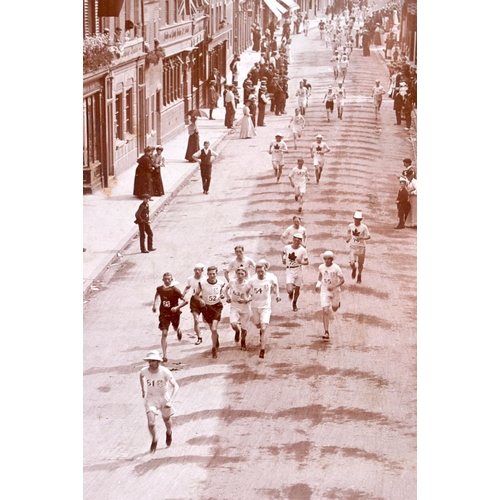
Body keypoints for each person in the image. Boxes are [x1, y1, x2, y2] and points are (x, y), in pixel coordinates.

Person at [139, 350, 179, 453]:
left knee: (166, 419)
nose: (150, 363)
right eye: (149, 361)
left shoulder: (164, 371)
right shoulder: (144, 371)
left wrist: (170, 400)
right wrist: (143, 389)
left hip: (163, 398)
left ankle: (169, 432)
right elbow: (141, 376)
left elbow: (176, 386)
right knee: (151, 423)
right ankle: (154, 439)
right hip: (151, 399)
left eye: (153, 361)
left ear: (158, 362)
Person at [248, 261, 281, 359]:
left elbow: (276, 286)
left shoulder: (271, 277)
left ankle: (262, 349)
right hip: (254, 306)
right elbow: (246, 291)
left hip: (266, 306)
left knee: (263, 328)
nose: (260, 273)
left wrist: (277, 295)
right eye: (258, 272)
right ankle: (259, 327)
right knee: (258, 325)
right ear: (256, 271)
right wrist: (246, 298)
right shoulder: (252, 280)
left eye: (262, 271)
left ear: (265, 269)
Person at [152, 273, 188, 362]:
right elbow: (157, 295)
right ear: (162, 280)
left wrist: (177, 307)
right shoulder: (160, 289)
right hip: (164, 314)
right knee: (164, 333)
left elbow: (186, 301)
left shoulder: (175, 290)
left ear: (172, 280)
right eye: (165, 279)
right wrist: (154, 305)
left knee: (175, 327)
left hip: (174, 314)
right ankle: (164, 354)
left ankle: (178, 329)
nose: (167, 281)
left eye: (169, 279)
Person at [195, 266, 226, 359]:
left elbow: (221, 291)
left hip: (217, 306)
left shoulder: (221, 283)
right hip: (207, 307)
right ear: (207, 274)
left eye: (214, 274)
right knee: (211, 328)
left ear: (216, 273)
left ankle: (214, 348)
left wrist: (222, 295)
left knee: (213, 329)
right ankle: (216, 338)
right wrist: (200, 300)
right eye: (210, 274)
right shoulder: (202, 283)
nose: (212, 275)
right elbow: (196, 295)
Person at [315, 251, 345, 340]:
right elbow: (320, 275)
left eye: (329, 259)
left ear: (332, 259)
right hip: (324, 291)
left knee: (335, 308)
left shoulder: (336, 268)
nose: (327, 261)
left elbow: (342, 280)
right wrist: (318, 284)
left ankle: (337, 304)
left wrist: (334, 286)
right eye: (325, 259)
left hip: (335, 291)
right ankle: (326, 332)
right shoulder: (321, 267)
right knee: (325, 311)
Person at [226, 266, 253, 349]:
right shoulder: (232, 282)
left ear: (245, 275)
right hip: (234, 306)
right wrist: (227, 296)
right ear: (236, 274)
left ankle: (243, 341)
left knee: (244, 328)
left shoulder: (248, 284)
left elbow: (252, 296)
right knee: (233, 324)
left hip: (245, 307)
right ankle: (237, 331)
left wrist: (246, 300)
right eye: (238, 273)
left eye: (242, 274)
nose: (240, 275)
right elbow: (226, 289)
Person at [282, 233, 309, 312]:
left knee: (297, 289)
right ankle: (290, 293)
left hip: (298, 270)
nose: (297, 242)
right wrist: (283, 259)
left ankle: (294, 303)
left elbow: (307, 261)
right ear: (293, 240)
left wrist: (301, 262)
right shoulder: (287, 248)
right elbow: (283, 252)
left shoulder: (303, 250)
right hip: (289, 270)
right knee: (290, 290)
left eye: (299, 240)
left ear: (300, 241)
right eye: (295, 240)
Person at [182, 263, 206, 345]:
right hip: (194, 300)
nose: (196, 271)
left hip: (204, 299)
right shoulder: (190, 279)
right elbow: (188, 286)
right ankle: (199, 337)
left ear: (202, 271)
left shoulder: (205, 279)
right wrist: (183, 294)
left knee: (206, 320)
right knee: (196, 319)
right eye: (195, 270)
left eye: (198, 270)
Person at [346, 210, 371, 283]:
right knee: (351, 262)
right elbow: (348, 232)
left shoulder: (364, 227)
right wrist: (348, 237)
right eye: (355, 219)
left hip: (361, 247)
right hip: (353, 247)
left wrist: (362, 238)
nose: (356, 221)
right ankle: (354, 269)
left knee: (360, 263)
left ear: (360, 220)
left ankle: (359, 274)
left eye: (358, 219)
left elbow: (369, 236)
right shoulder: (350, 226)